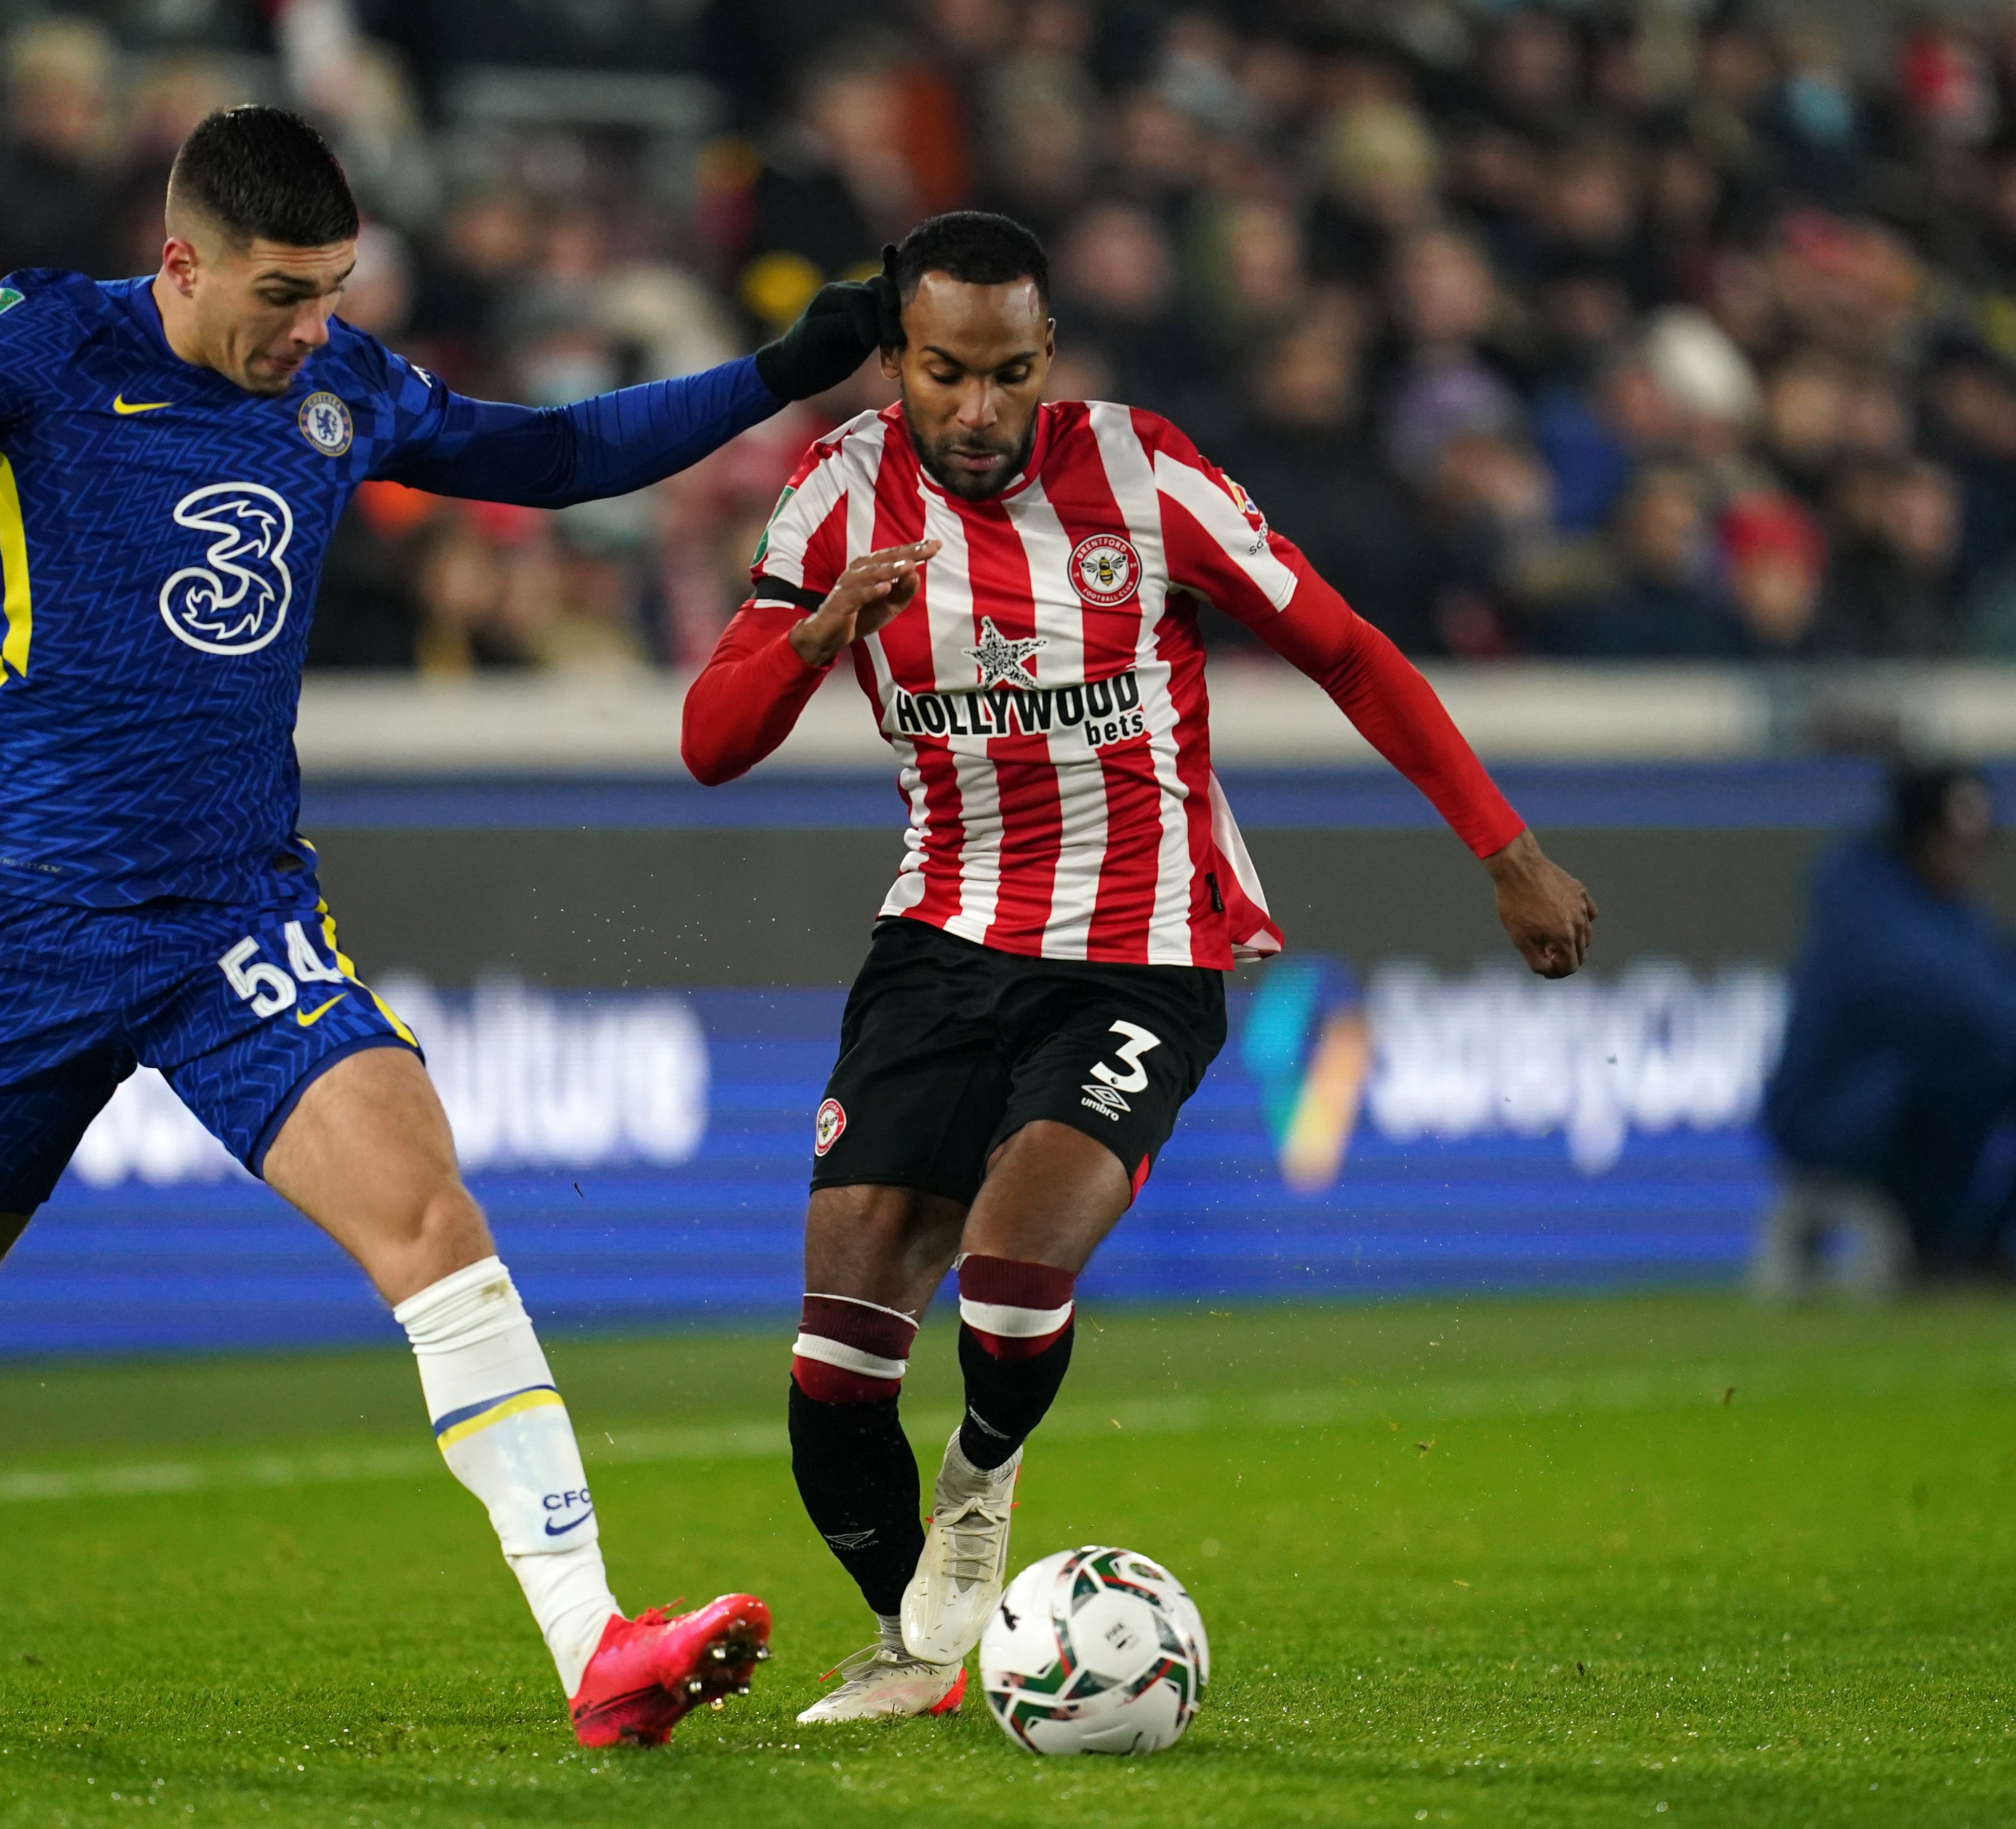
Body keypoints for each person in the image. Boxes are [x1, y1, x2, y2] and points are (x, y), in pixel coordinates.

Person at [0, 105, 894, 1750]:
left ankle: (597, 1644)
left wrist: (781, 366)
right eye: (285, 293)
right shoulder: (40, 343)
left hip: (235, 919)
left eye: (334, 290)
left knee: (430, 1221)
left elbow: (561, 454)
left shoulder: (344, 388)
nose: (314, 327)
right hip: (20, 931)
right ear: (181, 262)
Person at [679, 211, 1597, 1722]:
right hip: (935, 943)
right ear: (894, 357)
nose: (976, 412)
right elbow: (712, 743)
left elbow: (1349, 651)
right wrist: (818, 632)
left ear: (1045, 359)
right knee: (834, 1369)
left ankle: (980, 1480)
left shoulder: (1145, 474)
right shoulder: (833, 497)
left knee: (1007, 1268)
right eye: (942, 374)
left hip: (1140, 942)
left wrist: (1503, 850)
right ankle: (921, 1656)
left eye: (1006, 375)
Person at [1757, 762, 2016, 1294]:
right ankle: (1943, 1245)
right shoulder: (1861, 901)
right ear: (1919, 833)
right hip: (1831, 1108)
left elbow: (2011, 975)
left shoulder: (1954, 910)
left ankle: (1987, 1248)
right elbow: (1954, 1001)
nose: (1966, 855)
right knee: (1965, 1061)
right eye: (1954, 839)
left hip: (1901, 1100)